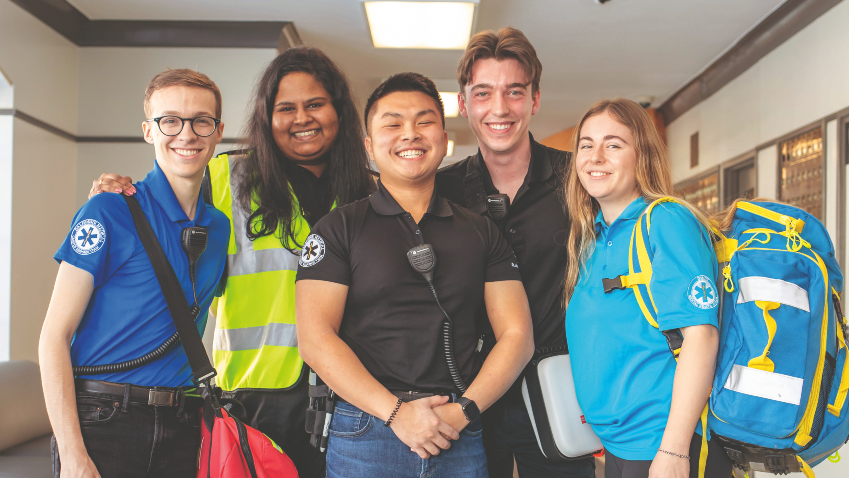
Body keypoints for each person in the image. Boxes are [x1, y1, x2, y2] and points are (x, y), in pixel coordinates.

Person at [86, 46, 376, 477]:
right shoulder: (225, 178)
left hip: (355, 396)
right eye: (286, 108)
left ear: (339, 112)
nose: (302, 118)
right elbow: (159, 224)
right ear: (266, 116)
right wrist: (112, 196)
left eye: (315, 104)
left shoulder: (372, 193)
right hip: (254, 398)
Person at [296, 72, 535, 478]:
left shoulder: (481, 231)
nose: (410, 134)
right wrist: (396, 414)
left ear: (444, 140)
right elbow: (315, 340)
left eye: (424, 122)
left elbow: (518, 337)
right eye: (392, 124)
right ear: (369, 147)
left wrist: (462, 413)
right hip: (365, 431)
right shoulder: (336, 229)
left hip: (457, 429)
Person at [39, 69, 230, 478]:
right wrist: (73, 456)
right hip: (104, 421)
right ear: (149, 131)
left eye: (202, 120)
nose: (187, 133)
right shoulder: (107, 210)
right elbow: (53, 336)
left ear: (218, 132)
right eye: (170, 120)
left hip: (184, 422)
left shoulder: (219, 228)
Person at [435, 27, 595, 478]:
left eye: (514, 92)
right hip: (464, 396)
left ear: (535, 99)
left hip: (558, 387)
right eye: (483, 93)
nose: (499, 109)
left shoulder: (577, 181)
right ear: (464, 104)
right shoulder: (440, 192)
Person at [562, 98, 732, 478]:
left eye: (614, 144)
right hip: (620, 448)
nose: (596, 156)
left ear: (643, 156)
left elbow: (701, 336)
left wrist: (674, 450)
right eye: (586, 145)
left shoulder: (666, 221)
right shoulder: (592, 239)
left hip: (665, 445)